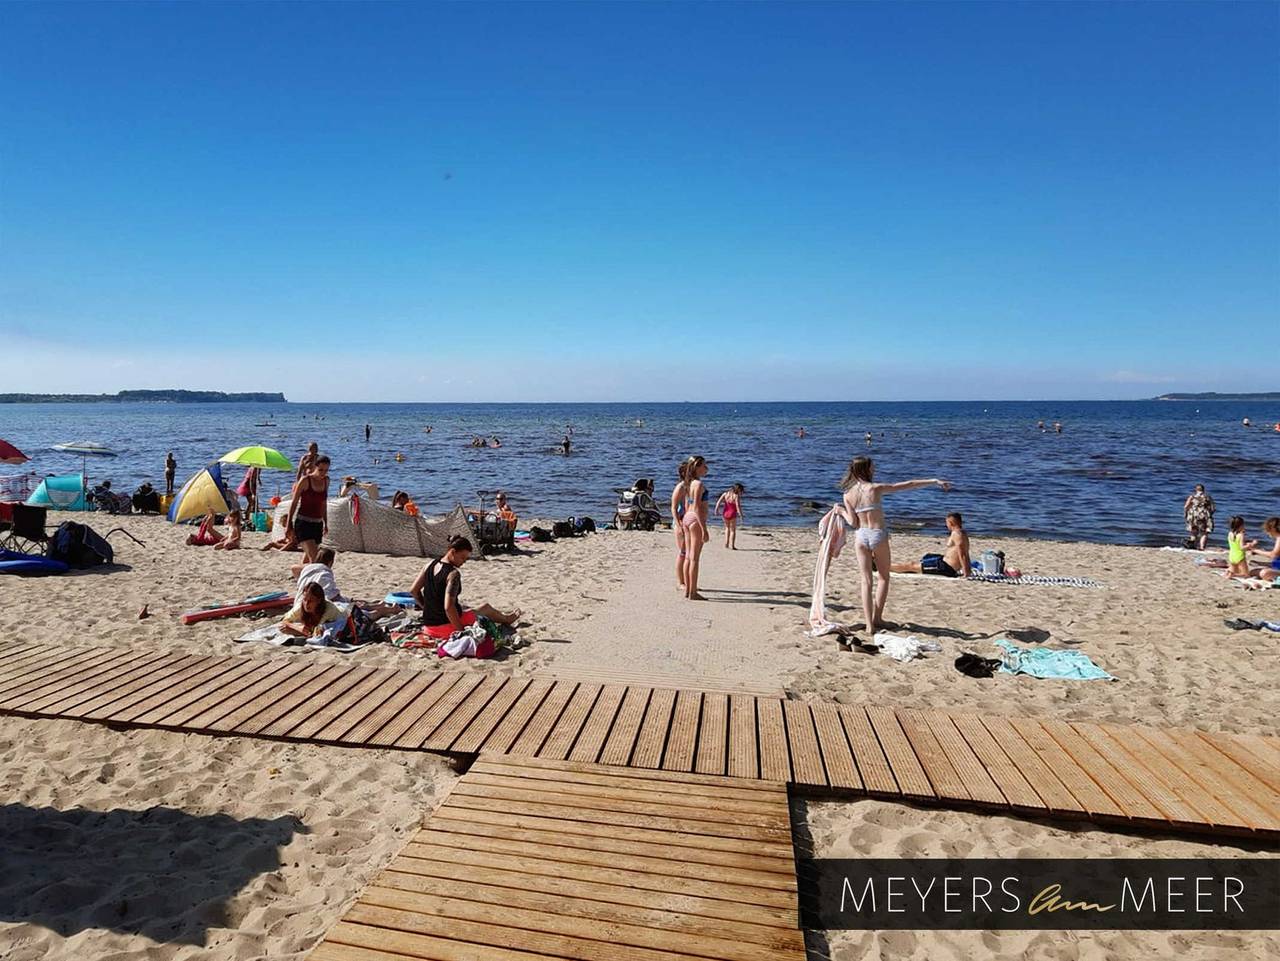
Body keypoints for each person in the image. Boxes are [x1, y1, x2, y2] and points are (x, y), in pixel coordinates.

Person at [838, 456, 950, 636]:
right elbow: (909, 484)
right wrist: (934, 481)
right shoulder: (875, 488)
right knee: (883, 577)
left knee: (866, 581)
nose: (874, 469)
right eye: (872, 467)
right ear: (866, 469)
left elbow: (852, 522)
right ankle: (878, 618)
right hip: (877, 535)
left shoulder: (848, 495)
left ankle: (868, 624)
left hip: (861, 536)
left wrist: (841, 511)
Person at [410, 535, 521, 640]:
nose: (464, 561)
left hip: (429, 627)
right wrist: (461, 631)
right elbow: (448, 607)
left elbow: (414, 591)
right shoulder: (453, 574)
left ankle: (505, 617)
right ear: (453, 552)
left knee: (465, 608)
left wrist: (427, 608)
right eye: (463, 557)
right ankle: (507, 619)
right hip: (446, 627)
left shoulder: (429, 565)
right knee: (486, 608)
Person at [891, 512, 971, 577]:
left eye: (947, 523)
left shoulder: (957, 535)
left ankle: (883, 567)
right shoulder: (960, 533)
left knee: (912, 565)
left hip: (946, 568)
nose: (946, 525)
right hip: (943, 561)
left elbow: (963, 554)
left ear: (951, 523)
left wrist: (966, 572)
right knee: (926, 557)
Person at [286, 455, 330, 563]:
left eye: (326, 470)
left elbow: (323, 504)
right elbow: (294, 502)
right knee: (315, 558)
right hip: (303, 523)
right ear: (315, 467)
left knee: (307, 559)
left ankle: (300, 577)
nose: (323, 473)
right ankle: (295, 570)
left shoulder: (326, 481)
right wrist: (288, 524)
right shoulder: (305, 480)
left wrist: (325, 522)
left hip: (317, 524)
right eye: (320, 470)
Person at [680, 456, 711, 600]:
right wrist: (704, 528)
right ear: (697, 468)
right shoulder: (697, 484)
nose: (706, 469)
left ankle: (687, 589)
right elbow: (697, 507)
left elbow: (687, 503)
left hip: (688, 517)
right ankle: (692, 592)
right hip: (695, 519)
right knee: (694, 558)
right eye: (704, 466)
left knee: (688, 556)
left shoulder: (688, 483)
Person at [279, 582, 344, 640]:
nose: (306, 604)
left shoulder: (328, 610)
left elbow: (316, 635)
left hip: (342, 616)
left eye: (311, 601)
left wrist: (296, 630)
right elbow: (284, 620)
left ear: (319, 600)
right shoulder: (301, 605)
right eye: (305, 599)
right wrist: (295, 627)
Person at [670, 460, 690, 591]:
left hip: (688, 521)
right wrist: (678, 524)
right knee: (683, 552)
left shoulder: (691, 485)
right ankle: (680, 582)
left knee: (689, 553)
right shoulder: (681, 487)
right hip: (681, 521)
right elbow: (673, 507)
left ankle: (688, 580)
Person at [1183, 484, 1216, 550]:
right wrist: (1210, 514)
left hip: (1193, 515)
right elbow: (1213, 508)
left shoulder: (1192, 497)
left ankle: (1193, 546)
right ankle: (1202, 547)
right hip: (1204, 515)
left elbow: (1186, 506)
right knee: (1204, 532)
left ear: (1196, 490)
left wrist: (1186, 514)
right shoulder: (1207, 497)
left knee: (1193, 531)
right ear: (1203, 490)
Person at [715, 483, 745, 550]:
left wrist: (716, 510)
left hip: (725, 513)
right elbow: (738, 506)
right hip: (732, 513)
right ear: (738, 490)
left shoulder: (725, 494)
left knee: (727, 528)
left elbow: (718, 502)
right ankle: (732, 545)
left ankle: (726, 543)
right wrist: (741, 515)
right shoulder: (736, 496)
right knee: (733, 530)